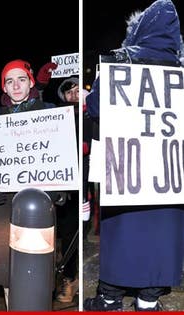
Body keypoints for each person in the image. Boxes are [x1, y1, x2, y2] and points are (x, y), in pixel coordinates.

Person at [84, 0, 184, 311]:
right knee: (161, 235)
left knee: (123, 234)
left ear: (139, 29)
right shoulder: (181, 71)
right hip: (169, 175)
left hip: (127, 171)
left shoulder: (121, 61)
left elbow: (96, 108)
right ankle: (149, 299)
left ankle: (111, 297)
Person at [0, 59, 57, 309]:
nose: (16, 85)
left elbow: (60, 156)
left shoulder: (47, 113)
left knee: (36, 271)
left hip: (38, 209)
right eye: (9, 81)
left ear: (31, 82)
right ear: (3, 87)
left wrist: (57, 190)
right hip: (6, 207)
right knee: (7, 272)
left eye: (21, 79)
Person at [53, 76, 80, 304]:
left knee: (75, 234)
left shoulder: (93, 115)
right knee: (62, 234)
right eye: (69, 91)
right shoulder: (57, 117)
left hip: (85, 185)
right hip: (62, 184)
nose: (74, 94)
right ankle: (68, 275)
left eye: (78, 90)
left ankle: (71, 280)